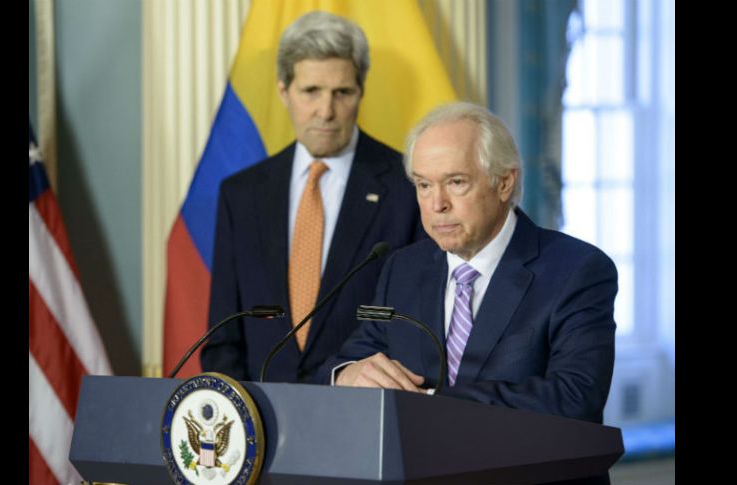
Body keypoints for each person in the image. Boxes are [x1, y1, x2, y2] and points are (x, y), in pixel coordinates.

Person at [317, 101, 617, 428]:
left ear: (504, 183)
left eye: (456, 182)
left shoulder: (577, 270)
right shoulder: (402, 269)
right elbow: (350, 359)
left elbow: (575, 398)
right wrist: (347, 375)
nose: (437, 205)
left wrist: (432, 401)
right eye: (424, 185)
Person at [201, 11, 424, 383]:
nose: (326, 111)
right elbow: (223, 337)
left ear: (361, 92)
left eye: (342, 92)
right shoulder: (241, 194)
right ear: (284, 91)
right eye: (311, 92)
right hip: (260, 419)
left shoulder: (408, 186)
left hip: (364, 415)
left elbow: (416, 323)